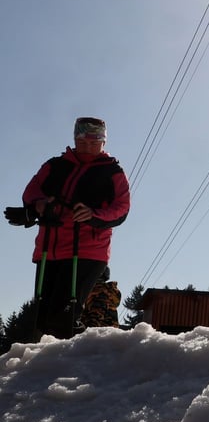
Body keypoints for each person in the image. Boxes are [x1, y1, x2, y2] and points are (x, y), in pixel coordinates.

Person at [7, 117, 130, 341]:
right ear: (75, 139)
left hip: (87, 250)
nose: (88, 147)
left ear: (103, 142)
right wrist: (39, 204)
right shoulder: (55, 165)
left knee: (63, 318)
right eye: (83, 142)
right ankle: (52, 368)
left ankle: (87, 356)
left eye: (95, 143)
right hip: (48, 249)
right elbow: (31, 191)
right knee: (43, 319)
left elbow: (121, 209)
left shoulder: (112, 171)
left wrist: (94, 215)